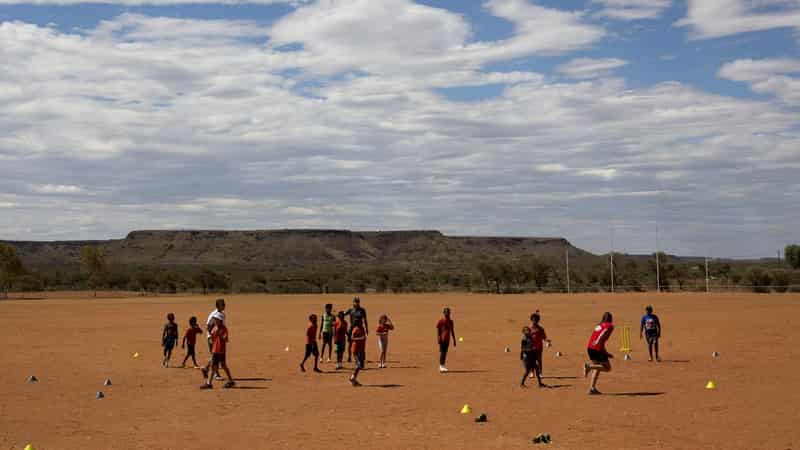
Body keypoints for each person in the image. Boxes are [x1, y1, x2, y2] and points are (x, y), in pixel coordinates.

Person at [583, 312, 614, 395]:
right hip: (597, 348)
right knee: (607, 368)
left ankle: (592, 388)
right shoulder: (609, 326)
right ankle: (589, 367)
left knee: (597, 368)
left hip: (590, 348)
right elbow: (603, 333)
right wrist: (598, 341)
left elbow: (601, 341)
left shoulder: (599, 325)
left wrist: (606, 353)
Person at [200, 315, 235, 389]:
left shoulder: (224, 329)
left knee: (219, 366)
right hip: (215, 349)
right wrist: (210, 333)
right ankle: (230, 380)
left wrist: (221, 335)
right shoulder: (215, 328)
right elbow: (211, 337)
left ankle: (209, 383)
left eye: (217, 320)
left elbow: (226, 339)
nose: (215, 321)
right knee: (220, 366)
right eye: (215, 319)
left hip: (220, 350)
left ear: (220, 321)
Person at [204, 299, 226, 380]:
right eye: (222, 304)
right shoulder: (214, 315)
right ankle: (216, 374)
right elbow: (208, 327)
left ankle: (206, 369)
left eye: (224, 304)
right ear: (218, 306)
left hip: (218, 337)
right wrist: (210, 338)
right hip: (212, 337)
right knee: (216, 356)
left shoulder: (222, 313)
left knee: (215, 355)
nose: (224, 306)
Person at [528, 310, 551, 379]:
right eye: (533, 320)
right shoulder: (529, 328)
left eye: (536, 320)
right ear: (531, 320)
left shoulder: (540, 329)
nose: (534, 321)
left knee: (539, 360)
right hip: (531, 347)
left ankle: (540, 373)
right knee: (531, 361)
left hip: (539, 347)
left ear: (538, 321)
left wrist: (547, 341)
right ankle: (532, 373)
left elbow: (544, 337)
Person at [345, 297, 368, 363]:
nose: (356, 303)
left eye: (358, 302)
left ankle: (360, 357)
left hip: (360, 328)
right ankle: (349, 356)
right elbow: (344, 314)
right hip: (352, 328)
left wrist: (366, 328)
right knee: (350, 343)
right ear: (353, 302)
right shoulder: (351, 310)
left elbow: (365, 320)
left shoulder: (362, 310)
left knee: (360, 342)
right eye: (355, 302)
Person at [436, 307, 456, 373]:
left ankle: (443, 366)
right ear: (444, 313)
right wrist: (438, 338)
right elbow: (438, 330)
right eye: (446, 312)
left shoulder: (451, 322)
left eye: (448, 312)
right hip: (442, 339)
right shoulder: (441, 321)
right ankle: (441, 366)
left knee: (445, 353)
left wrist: (454, 339)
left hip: (447, 340)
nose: (447, 313)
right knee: (442, 353)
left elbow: (452, 331)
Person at [349, 318, 367, 386]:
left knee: (361, 366)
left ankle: (354, 381)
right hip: (355, 350)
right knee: (358, 364)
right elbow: (352, 338)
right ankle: (352, 377)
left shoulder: (362, 328)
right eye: (361, 321)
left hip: (361, 349)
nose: (362, 322)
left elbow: (364, 337)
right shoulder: (355, 329)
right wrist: (360, 338)